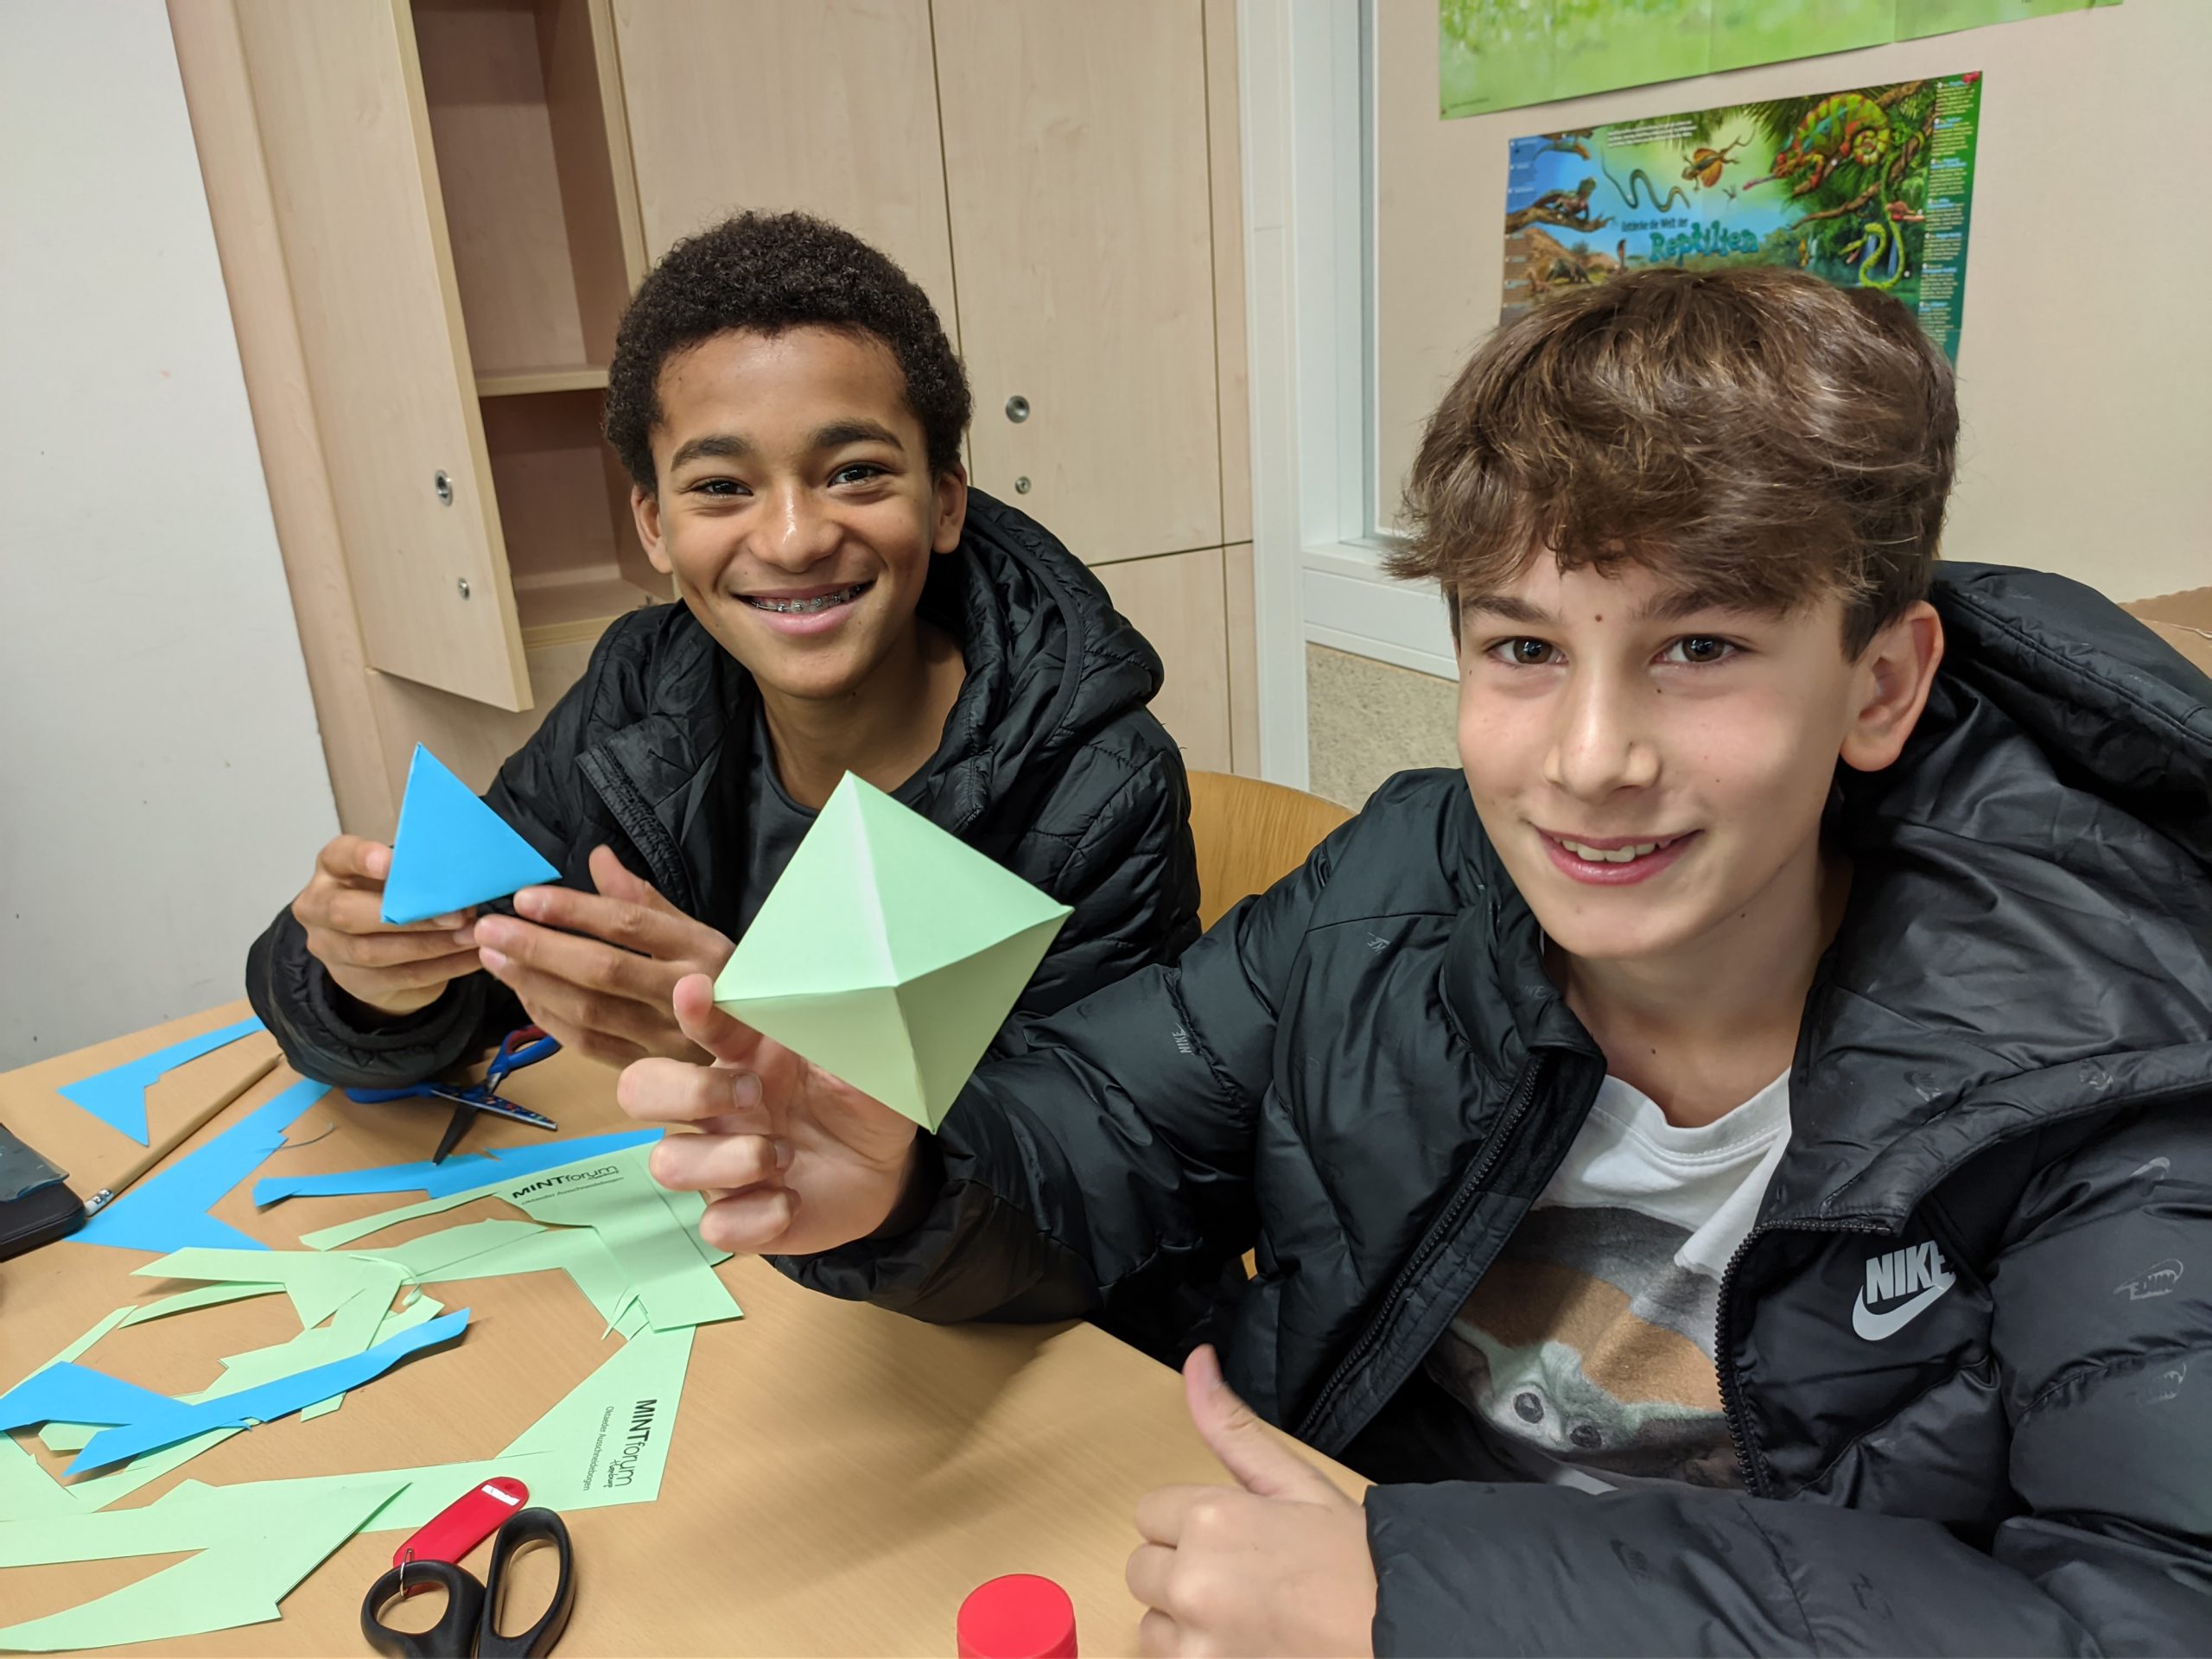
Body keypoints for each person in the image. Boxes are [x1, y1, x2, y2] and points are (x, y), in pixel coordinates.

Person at [619, 266, 2212, 1655]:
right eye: (1524, 648)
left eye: (1701, 647)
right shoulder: (1409, 880)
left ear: (1880, 686)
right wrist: (916, 1177)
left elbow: (2146, 1609)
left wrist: (1430, 1600)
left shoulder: (2103, 1058)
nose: (1589, 759)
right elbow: (1106, 1133)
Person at [247, 211, 1198, 1088]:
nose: (793, 540)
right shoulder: (642, 689)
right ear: (654, 526)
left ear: (943, 501)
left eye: (855, 473)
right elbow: (487, 961)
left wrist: (774, 1063)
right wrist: (373, 985)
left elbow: (1105, 1154)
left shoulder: (1093, 786)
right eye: (720, 487)